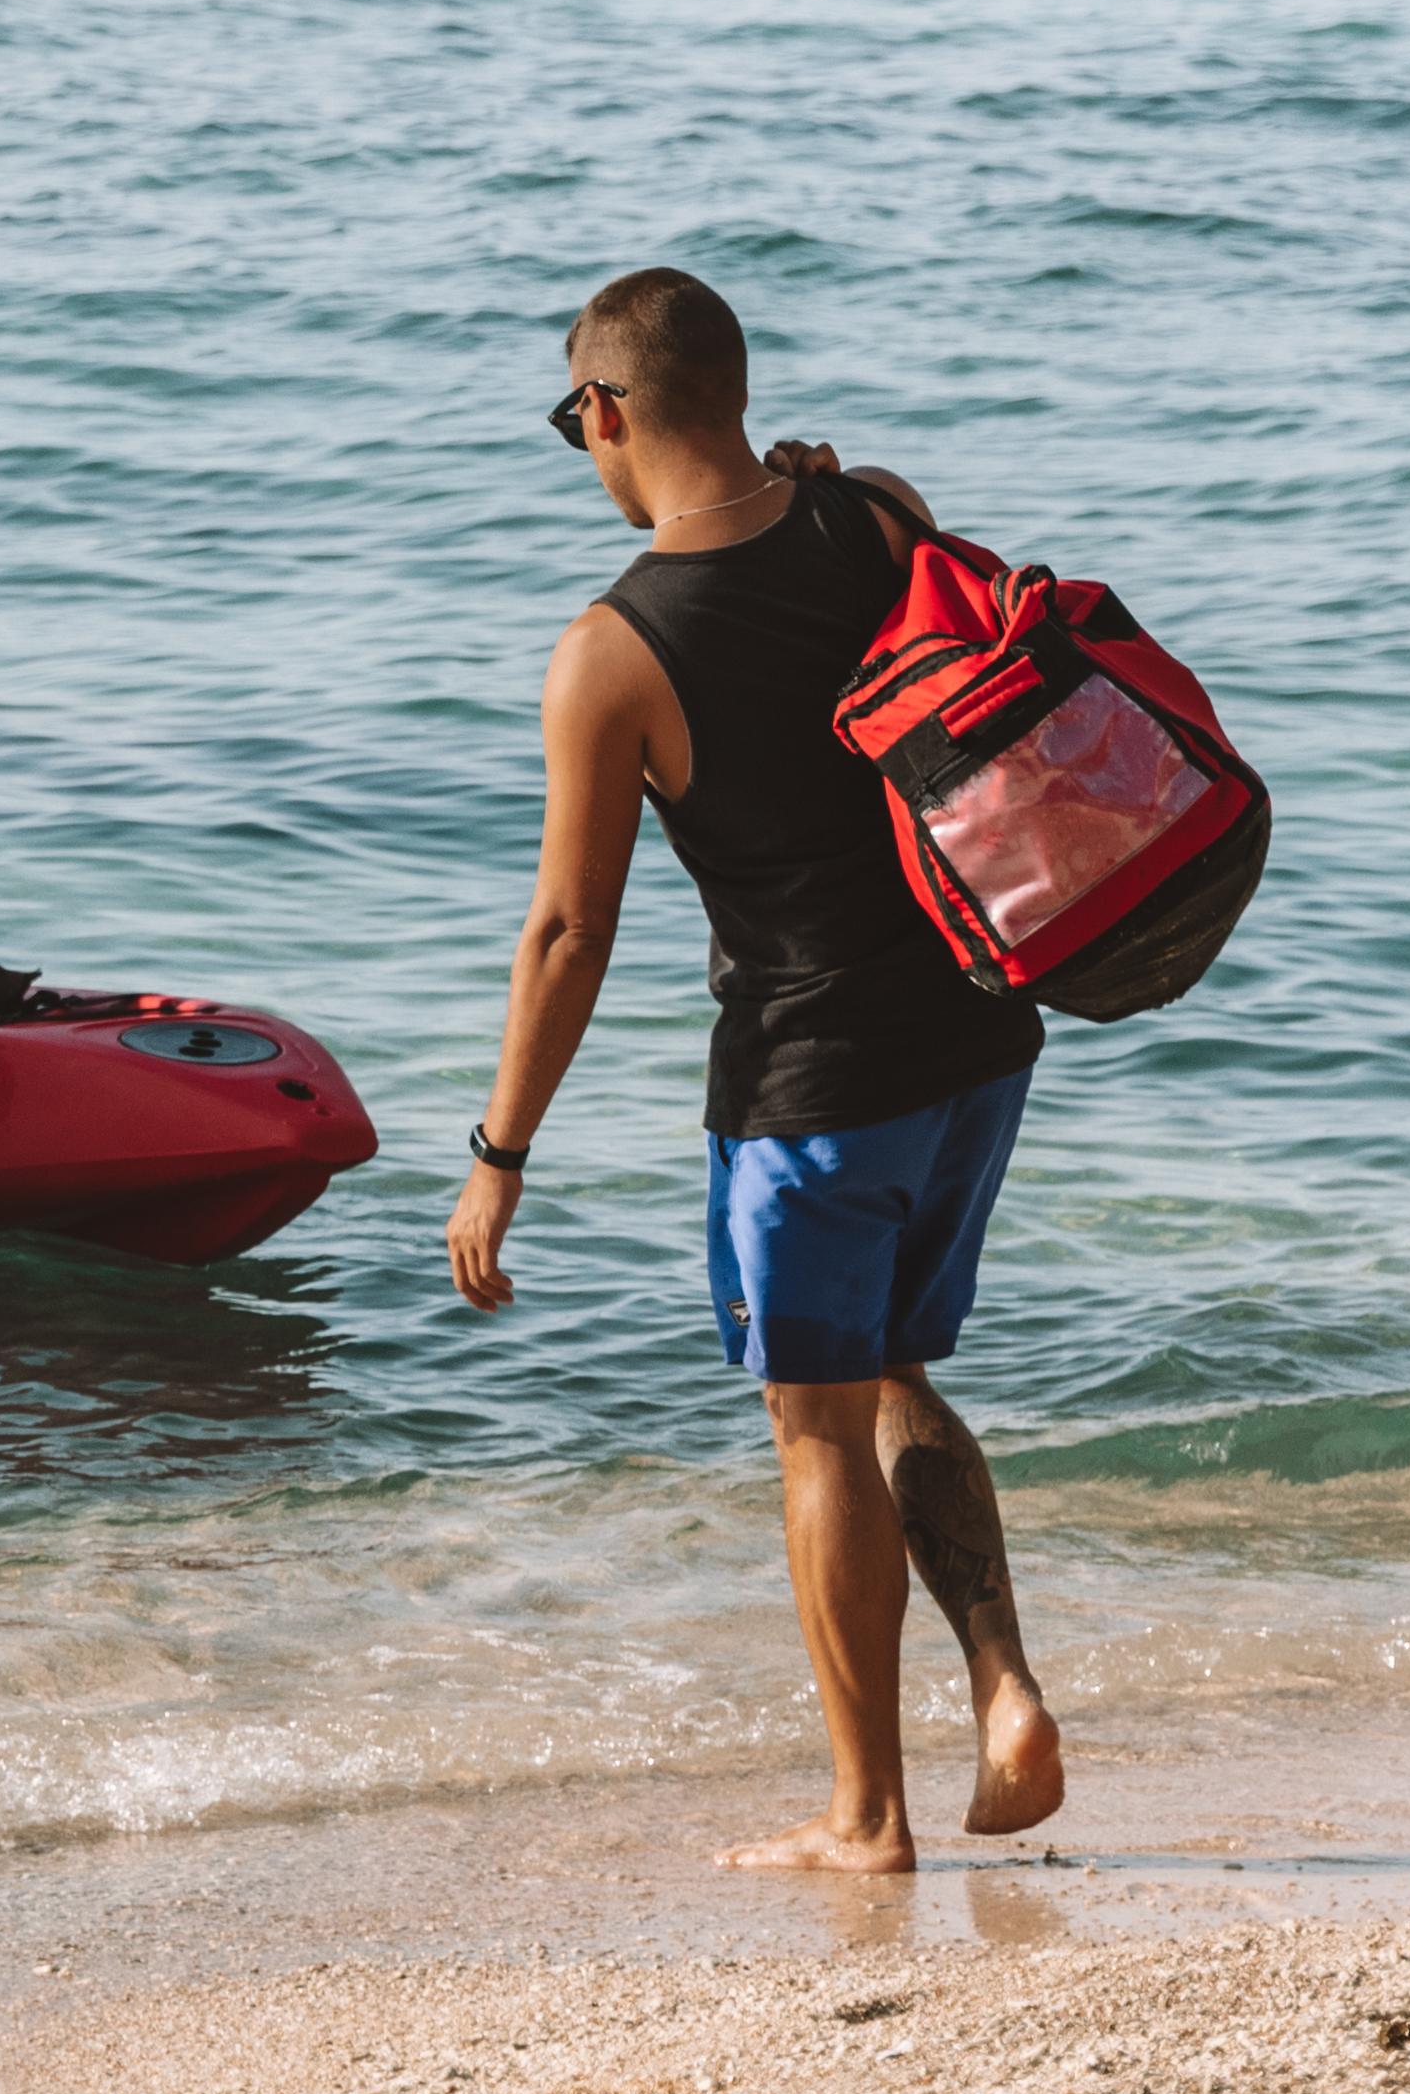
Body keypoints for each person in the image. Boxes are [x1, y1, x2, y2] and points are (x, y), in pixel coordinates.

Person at [448, 266, 1068, 1872]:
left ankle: (869, 1819)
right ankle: (1002, 1687)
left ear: (605, 411)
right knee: (899, 1383)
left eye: (570, 417)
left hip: (814, 1084)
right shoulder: (870, 516)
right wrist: (809, 476)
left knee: (814, 1426)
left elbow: (570, 932)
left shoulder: (612, 653)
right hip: (980, 1035)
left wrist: (499, 1151)